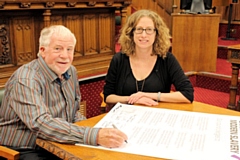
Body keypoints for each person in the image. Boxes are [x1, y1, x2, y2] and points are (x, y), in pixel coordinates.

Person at [0, 25, 127, 160]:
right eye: (57, 49)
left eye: (69, 49)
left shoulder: (70, 71)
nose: (65, 56)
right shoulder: (26, 79)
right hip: (23, 148)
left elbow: (73, 112)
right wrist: (93, 135)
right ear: (42, 51)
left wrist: (94, 128)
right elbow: (40, 124)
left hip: (55, 140)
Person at [103, 9, 194, 107]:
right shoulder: (119, 59)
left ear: (157, 33)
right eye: (139, 29)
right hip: (126, 116)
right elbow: (108, 97)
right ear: (131, 33)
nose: (143, 35)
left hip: (156, 115)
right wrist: (133, 99)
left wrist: (147, 95)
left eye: (149, 30)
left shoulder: (167, 59)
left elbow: (187, 95)